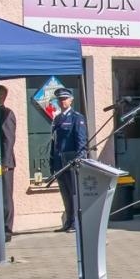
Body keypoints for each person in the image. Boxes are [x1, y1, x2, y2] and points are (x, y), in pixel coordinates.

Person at [49, 88, 87, 233]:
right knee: (65, 194)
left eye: (65, 99)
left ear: (71, 100)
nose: (62, 101)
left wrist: (79, 161)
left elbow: (81, 142)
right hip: (60, 163)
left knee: (74, 194)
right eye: (60, 99)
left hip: (71, 163)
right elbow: (54, 143)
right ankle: (68, 221)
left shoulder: (77, 118)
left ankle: (76, 223)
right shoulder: (58, 119)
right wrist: (52, 162)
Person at [0, 86, 18, 241]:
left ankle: (7, 230)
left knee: (5, 197)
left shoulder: (6, 113)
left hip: (3, 164)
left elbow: (8, 139)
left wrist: (5, 162)